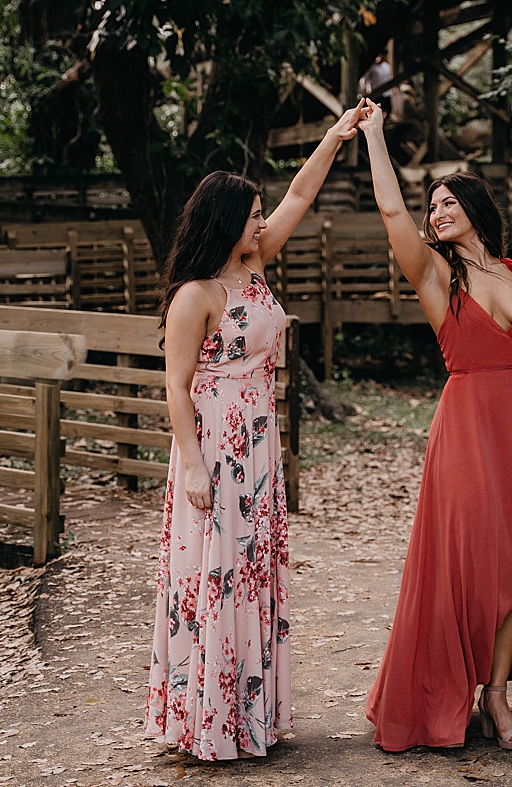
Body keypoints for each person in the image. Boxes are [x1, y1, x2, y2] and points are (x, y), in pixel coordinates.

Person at [357, 100, 512, 752]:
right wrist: (375, 135)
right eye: (432, 206)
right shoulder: (437, 274)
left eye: (448, 203)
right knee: (469, 562)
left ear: (474, 208)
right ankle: (447, 686)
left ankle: (496, 694)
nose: (436, 212)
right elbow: (391, 212)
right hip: (466, 431)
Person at [146, 104, 370, 760]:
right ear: (225, 221)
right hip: (215, 443)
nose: (262, 222)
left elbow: (300, 193)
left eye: (260, 213)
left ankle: (249, 718)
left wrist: (334, 136)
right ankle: (208, 721)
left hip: (260, 443)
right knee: (219, 573)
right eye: (251, 214)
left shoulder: (255, 263)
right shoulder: (195, 294)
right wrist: (193, 464)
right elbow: (175, 386)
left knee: (250, 572)